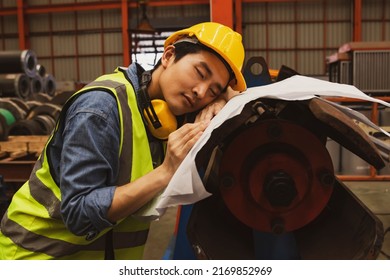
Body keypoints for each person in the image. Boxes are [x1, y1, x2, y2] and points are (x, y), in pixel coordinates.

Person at [0, 22, 246, 260]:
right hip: (35, 258)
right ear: (169, 55)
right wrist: (165, 172)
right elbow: (79, 214)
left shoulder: (171, 113)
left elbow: (237, 96)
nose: (200, 92)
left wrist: (220, 100)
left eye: (213, 89)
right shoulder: (100, 110)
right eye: (200, 73)